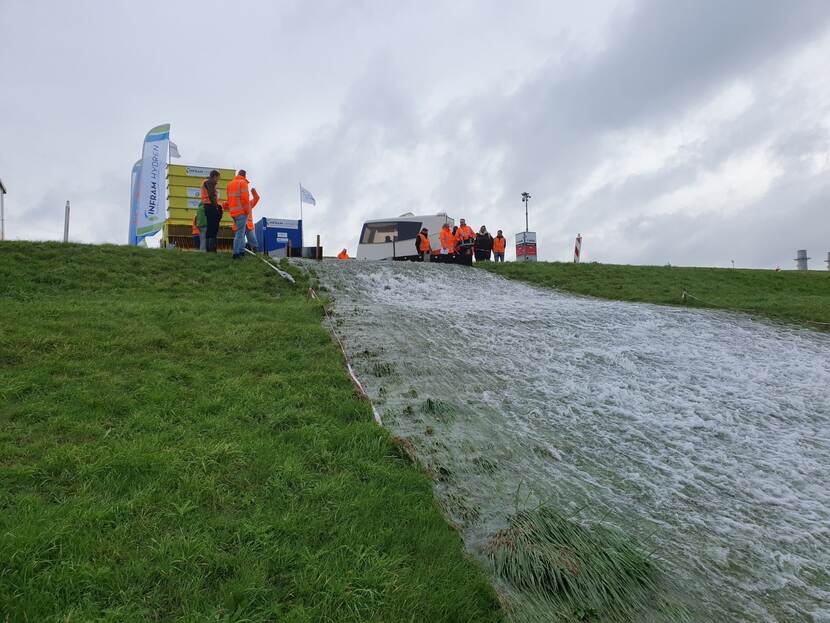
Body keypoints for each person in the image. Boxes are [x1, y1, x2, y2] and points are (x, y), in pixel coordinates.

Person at [226, 169, 252, 259]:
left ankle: (241, 251)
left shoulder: (230, 184)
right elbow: (245, 198)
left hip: (233, 212)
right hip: (241, 212)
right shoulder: (243, 183)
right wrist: (247, 211)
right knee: (240, 233)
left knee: (241, 232)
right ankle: (236, 253)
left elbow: (229, 199)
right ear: (245, 176)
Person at [231, 187, 260, 253]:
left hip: (248, 226)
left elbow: (256, 198)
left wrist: (253, 192)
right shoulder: (236, 203)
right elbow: (227, 206)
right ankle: (240, 254)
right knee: (241, 241)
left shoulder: (249, 203)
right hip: (239, 224)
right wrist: (224, 204)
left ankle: (256, 253)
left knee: (253, 240)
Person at [201, 170, 222, 253]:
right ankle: (212, 249)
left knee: (210, 228)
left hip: (208, 206)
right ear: (214, 176)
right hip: (210, 206)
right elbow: (211, 195)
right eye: (217, 178)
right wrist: (216, 206)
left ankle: (209, 250)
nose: (218, 180)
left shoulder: (206, 182)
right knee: (213, 228)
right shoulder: (209, 183)